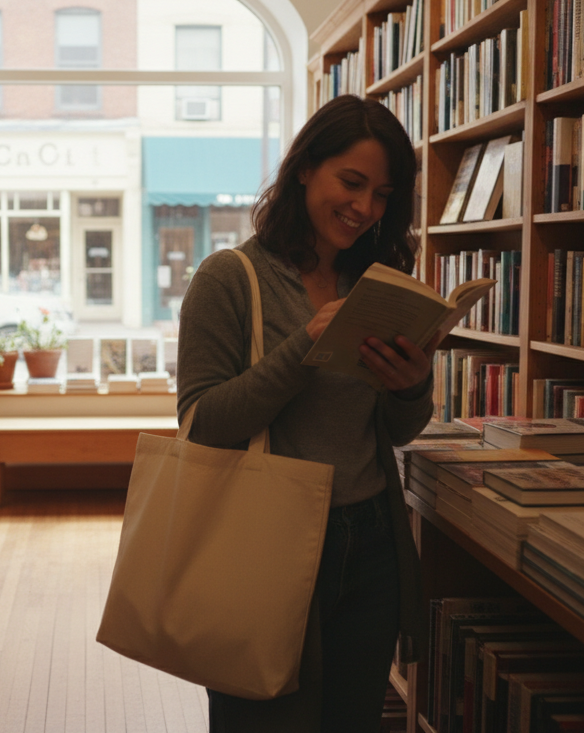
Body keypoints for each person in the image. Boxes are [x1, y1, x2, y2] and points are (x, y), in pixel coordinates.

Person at [176, 94, 434, 731]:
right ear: (302, 169)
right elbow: (201, 422)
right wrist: (303, 348)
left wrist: (410, 388)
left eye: (381, 194)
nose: (364, 208)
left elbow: (393, 431)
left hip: (370, 540)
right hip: (267, 542)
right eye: (351, 182)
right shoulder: (229, 278)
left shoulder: (373, 282)